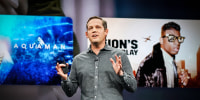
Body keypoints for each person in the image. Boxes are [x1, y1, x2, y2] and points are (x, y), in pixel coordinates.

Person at [56, 16, 137, 100]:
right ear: (87, 34)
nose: (94, 30)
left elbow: (133, 87)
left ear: (106, 32)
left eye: (98, 27)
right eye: (90, 28)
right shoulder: (78, 60)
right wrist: (65, 78)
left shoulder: (120, 56)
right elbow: (70, 92)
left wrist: (121, 74)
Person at [136, 22, 189, 88]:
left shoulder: (173, 63)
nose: (177, 43)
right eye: (172, 38)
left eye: (179, 39)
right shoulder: (148, 64)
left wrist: (182, 85)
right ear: (161, 40)